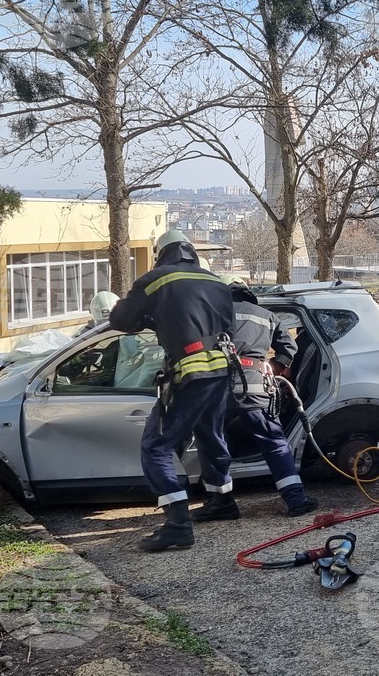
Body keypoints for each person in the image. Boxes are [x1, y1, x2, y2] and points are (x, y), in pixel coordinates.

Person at [109, 230, 234, 552]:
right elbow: (228, 327)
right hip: (221, 370)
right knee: (211, 436)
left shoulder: (155, 279)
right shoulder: (217, 281)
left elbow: (121, 320)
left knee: (156, 446)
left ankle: (178, 524)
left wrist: (151, 318)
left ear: (160, 253)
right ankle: (222, 501)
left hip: (189, 373)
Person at [192, 276, 318, 521]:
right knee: (273, 442)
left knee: (214, 444)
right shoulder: (266, 315)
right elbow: (289, 347)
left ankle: (221, 503)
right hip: (254, 388)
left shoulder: (211, 313)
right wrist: (274, 364)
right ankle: (296, 500)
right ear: (248, 293)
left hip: (216, 389)